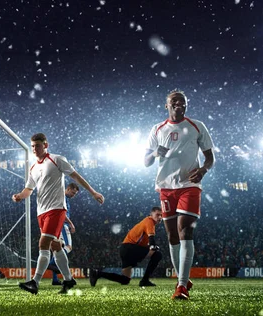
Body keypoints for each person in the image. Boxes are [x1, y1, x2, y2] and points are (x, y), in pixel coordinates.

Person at [144, 89, 215, 300]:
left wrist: (203, 170)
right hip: (165, 187)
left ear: (186, 105)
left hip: (189, 186)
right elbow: (146, 162)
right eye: (173, 101)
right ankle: (181, 279)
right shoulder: (157, 129)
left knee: (185, 231)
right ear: (166, 105)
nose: (178, 103)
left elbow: (210, 157)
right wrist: (157, 152)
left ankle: (182, 286)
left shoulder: (197, 126)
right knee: (172, 236)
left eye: (182, 101)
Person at [12, 133, 104, 295]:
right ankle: (69, 280)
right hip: (41, 212)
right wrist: (20, 196)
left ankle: (35, 282)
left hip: (56, 209)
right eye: (32, 146)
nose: (34, 149)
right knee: (55, 246)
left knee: (43, 244)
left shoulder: (56, 159)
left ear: (45, 145)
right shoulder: (33, 167)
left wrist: (93, 192)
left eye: (38, 145)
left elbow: (75, 176)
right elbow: (29, 189)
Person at [89, 206, 163, 287]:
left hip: (125, 249)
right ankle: (144, 281)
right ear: (151, 215)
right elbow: (151, 239)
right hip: (130, 248)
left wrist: (152, 247)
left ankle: (97, 273)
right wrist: (153, 246)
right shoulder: (149, 221)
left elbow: (145, 242)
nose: (159, 217)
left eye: (161, 215)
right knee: (157, 255)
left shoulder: (146, 222)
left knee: (125, 280)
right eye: (157, 215)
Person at [49, 183, 79, 286]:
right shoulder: (62, 197)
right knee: (68, 247)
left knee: (58, 249)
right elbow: (62, 213)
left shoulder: (63, 198)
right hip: (62, 225)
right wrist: (71, 224)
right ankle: (51, 264)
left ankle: (55, 279)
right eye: (73, 192)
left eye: (75, 194)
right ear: (68, 188)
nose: (73, 195)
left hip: (56, 225)